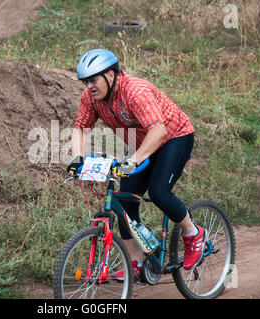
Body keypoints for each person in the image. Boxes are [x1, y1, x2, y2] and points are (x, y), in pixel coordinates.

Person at [66, 48, 206, 282]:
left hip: (174, 137)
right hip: (145, 143)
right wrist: (77, 158)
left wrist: (133, 161)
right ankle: (137, 263)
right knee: (124, 200)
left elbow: (159, 131)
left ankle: (193, 234)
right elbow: (80, 127)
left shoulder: (134, 91)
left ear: (110, 75)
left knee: (159, 192)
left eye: (93, 80)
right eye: (86, 81)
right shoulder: (92, 98)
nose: (89, 86)